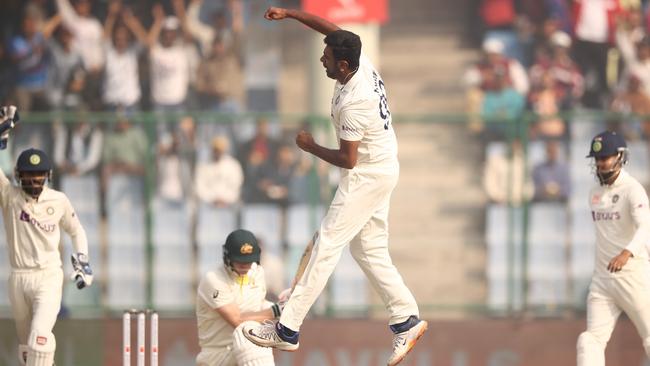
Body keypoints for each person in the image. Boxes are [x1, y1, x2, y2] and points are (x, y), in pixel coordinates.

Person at [242, 7, 427, 366]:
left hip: (367, 174)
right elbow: (331, 28)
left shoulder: (357, 101)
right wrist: (293, 14)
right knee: (368, 250)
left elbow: (348, 160)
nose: (322, 59)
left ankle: (287, 329)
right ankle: (406, 319)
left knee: (327, 244)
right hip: (382, 166)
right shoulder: (358, 58)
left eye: (327, 58)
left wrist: (309, 146)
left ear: (343, 66)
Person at [0, 106, 93, 366]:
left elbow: (77, 231)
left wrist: (82, 260)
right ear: (19, 176)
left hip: (48, 277)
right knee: (27, 349)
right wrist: (2, 138)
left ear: (47, 175)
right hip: (18, 278)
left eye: (38, 174)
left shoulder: (58, 200)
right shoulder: (9, 197)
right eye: (28, 175)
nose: (34, 179)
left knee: (39, 338)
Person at [577, 130, 650, 365]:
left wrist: (626, 253)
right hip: (603, 281)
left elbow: (646, 227)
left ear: (620, 157)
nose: (601, 163)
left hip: (634, 276)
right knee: (590, 341)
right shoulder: (594, 193)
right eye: (597, 159)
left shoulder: (632, 189)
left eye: (606, 157)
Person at [196, 229, 284, 366]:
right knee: (251, 337)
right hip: (218, 356)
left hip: (243, 356)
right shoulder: (214, 279)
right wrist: (276, 311)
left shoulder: (257, 272)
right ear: (227, 257)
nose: (245, 266)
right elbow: (238, 320)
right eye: (240, 261)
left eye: (249, 261)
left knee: (258, 338)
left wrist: (285, 307)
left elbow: (258, 306)